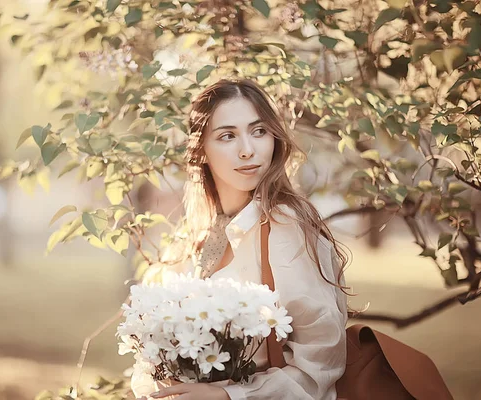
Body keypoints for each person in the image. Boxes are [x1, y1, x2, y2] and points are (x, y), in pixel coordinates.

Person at [132, 78, 351, 400]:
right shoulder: (194, 234)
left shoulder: (285, 227)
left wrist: (229, 396)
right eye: (227, 136)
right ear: (200, 150)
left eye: (259, 131)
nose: (248, 150)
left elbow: (319, 366)